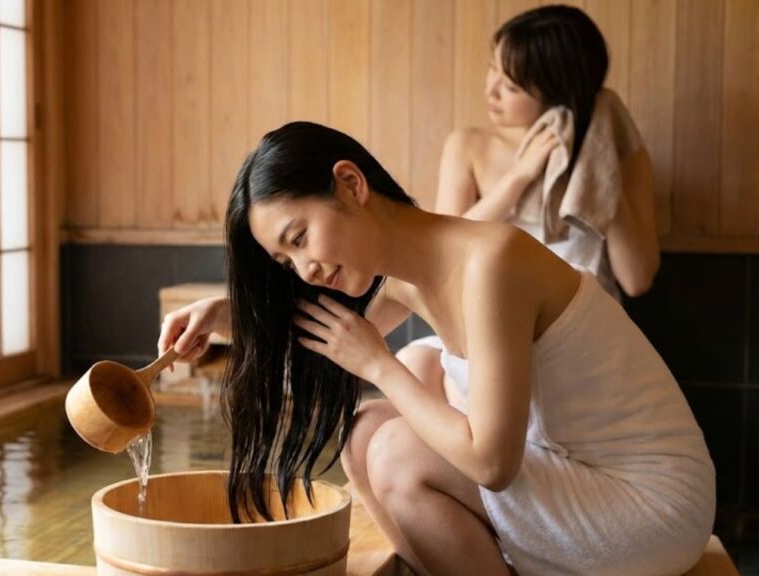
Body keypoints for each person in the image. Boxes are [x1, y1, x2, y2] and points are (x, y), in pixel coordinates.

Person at [157, 121, 714, 576]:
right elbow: (313, 334)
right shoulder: (410, 273)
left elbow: (492, 465)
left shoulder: (493, 263)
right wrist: (225, 316)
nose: (305, 269)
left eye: (299, 238)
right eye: (287, 261)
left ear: (350, 184)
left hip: (650, 508)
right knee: (363, 432)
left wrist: (377, 361)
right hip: (581, 481)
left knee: (398, 446)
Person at [400, 4, 662, 413]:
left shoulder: (620, 157)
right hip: (494, 318)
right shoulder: (470, 146)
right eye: (493, 71)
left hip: (577, 330)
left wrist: (602, 165)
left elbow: (637, 278)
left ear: (557, 89)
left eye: (512, 85)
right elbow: (440, 248)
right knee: (414, 363)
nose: (491, 91)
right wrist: (518, 178)